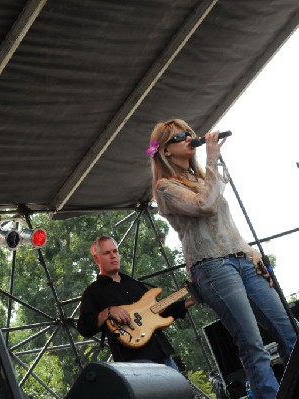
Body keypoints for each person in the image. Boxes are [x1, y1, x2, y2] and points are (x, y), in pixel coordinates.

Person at [148, 119, 297, 399]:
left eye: (189, 133)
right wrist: (212, 159)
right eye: (179, 136)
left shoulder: (204, 178)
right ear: (165, 151)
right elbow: (205, 205)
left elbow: (228, 227)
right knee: (252, 343)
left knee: (288, 330)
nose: (189, 138)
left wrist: (254, 255)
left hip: (242, 259)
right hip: (213, 267)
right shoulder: (165, 187)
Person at [77, 235, 194, 369]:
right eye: (107, 253)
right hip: (136, 361)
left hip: (164, 355)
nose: (113, 256)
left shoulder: (135, 284)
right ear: (96, 258)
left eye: (115, 251)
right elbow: (84, 327)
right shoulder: (93, 292)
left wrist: (189, 301)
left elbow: (159, 312)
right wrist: (107, 312)